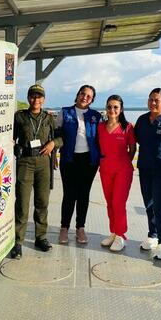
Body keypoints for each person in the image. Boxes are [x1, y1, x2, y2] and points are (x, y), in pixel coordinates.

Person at [10, 84, 63, 259]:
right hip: (25, 161)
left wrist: (53, 143)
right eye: (33, 96)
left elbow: (61, 137)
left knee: (42, 202)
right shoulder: (19, 117)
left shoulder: (48, 118)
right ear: (28, 98)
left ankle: (40, 237)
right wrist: (15, 147)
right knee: (22, 203)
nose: (36, 99)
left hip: (43, 163)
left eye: (39, 97)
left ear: (44, 99)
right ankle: (18, 241)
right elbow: (10, 137)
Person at [135, 88, 161, 260]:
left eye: (157, 100)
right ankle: (152, 236)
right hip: (145, 168)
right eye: (151, 99)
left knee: (160, 206)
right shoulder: (142, 120)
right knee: (149, 204)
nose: (153, 103)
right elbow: (136, 139)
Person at [57, 85, 101, 244]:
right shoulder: (65, 112)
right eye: (83, 94)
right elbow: (56, 134)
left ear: (92, 100)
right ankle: (64, 228)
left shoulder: (96, 116)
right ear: (77, 95)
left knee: (84, 194)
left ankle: (80, 228)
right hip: (69, 159)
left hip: (89, 161)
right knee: (69, 194)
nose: (85, 97)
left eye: (89, 96)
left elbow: (100, 138)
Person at [97, 95, 136, 252]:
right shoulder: (100, 127)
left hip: (123, 170)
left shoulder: (127, 127)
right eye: (109, 107)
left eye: (115, 107)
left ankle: (121, 235)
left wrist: (124, 163)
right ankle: (113, 232)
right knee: (109, 202)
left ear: (121, 109)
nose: (112, 110)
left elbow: (132, 149)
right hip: (105, 169)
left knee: (118, 203)